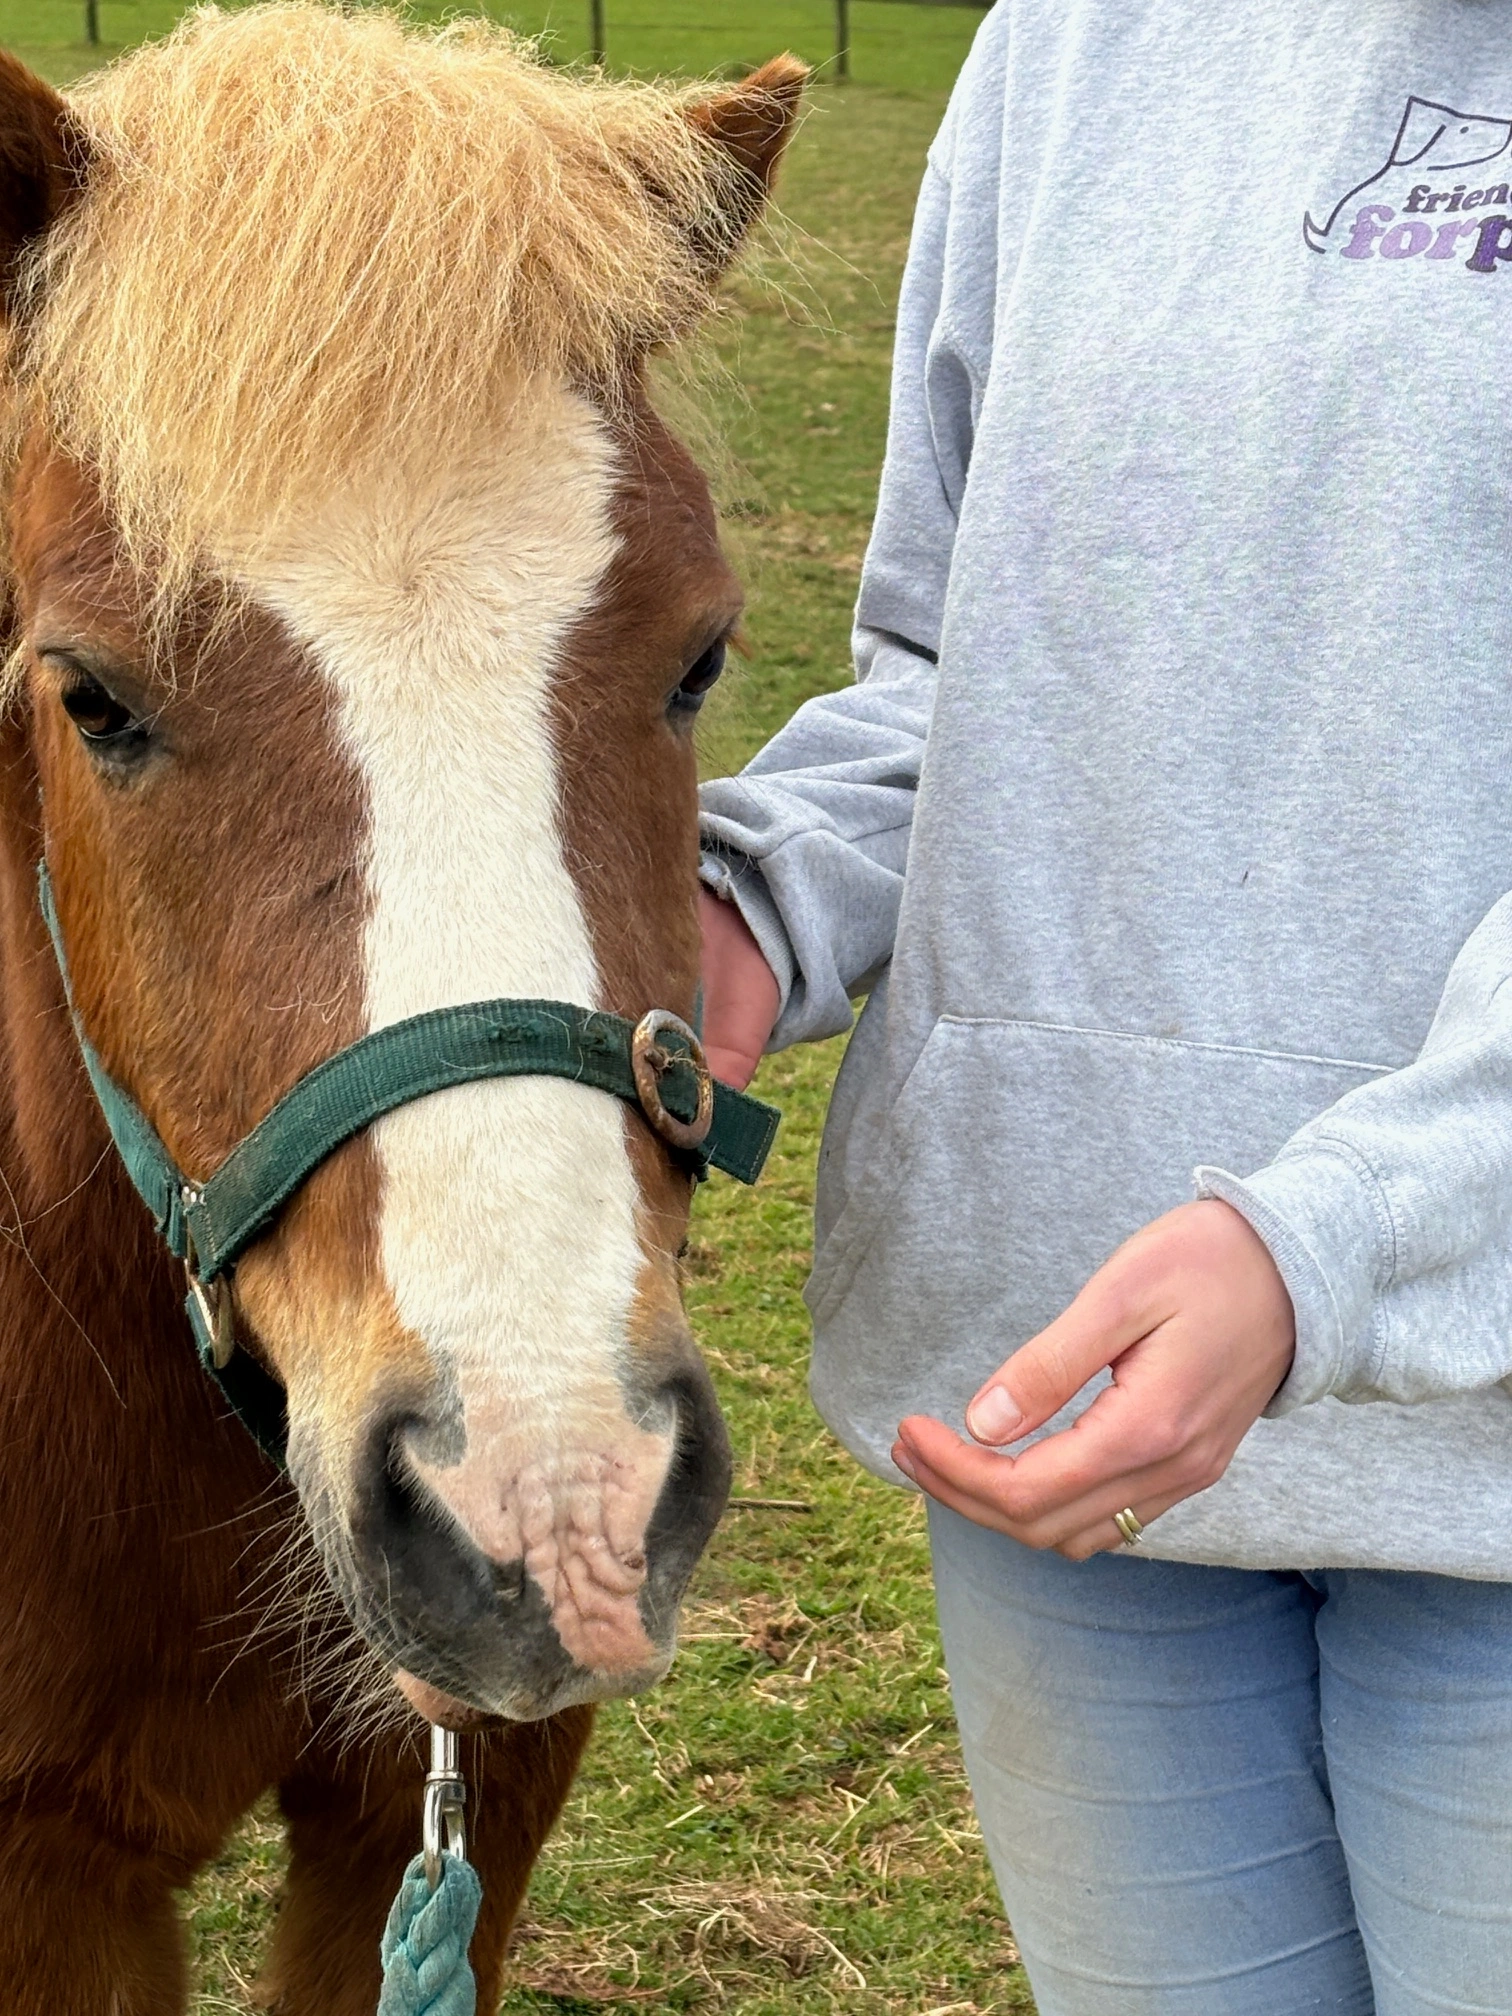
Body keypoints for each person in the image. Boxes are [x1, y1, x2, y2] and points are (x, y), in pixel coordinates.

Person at [695, 5, 1512, 2012]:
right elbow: (951, 654)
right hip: (1058, 1410)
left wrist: (1325, 1249)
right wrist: (747, 905)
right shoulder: (1066, 41)